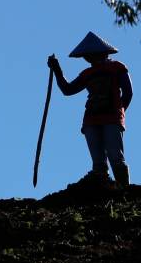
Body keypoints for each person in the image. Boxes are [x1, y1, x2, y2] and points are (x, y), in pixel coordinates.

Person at [47, 31, 133, 187]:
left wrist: (119, 111)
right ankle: (102, 189)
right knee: (98, 161)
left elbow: (128, 92)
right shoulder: (87, 73)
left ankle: (125, 191)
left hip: (111, 117)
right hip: (91, 119)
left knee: (116, 157)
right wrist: (57, 70)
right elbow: (68, 90)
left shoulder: (117, 67)